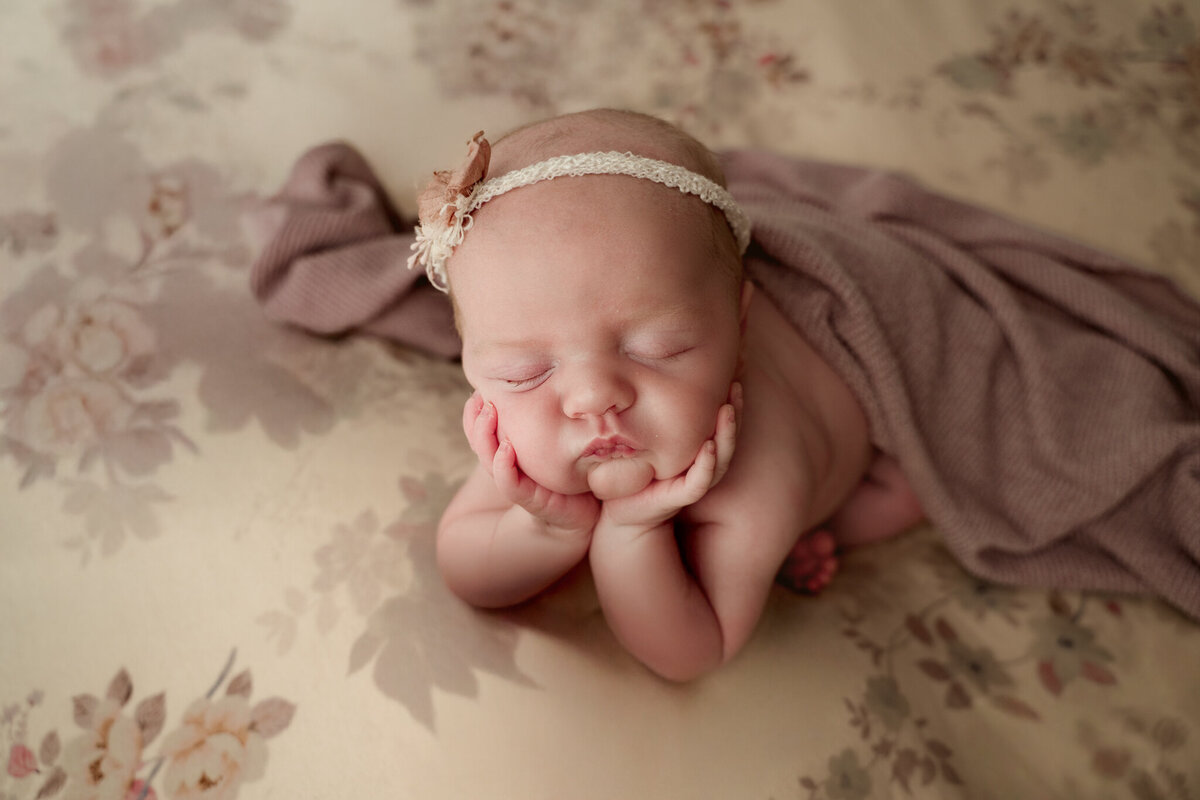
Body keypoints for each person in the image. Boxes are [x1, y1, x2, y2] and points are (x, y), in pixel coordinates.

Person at [423, 109, 925, 681]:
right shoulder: (521, 433)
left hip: (842, 413)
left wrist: (631, 533)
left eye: (656, 348)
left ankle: (825, 530)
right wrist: (545, 529)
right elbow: (466, 573)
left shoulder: (758, 482)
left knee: (911, 489)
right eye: (523, 371)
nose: (592, 398)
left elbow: (691, 653)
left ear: (738, 329)